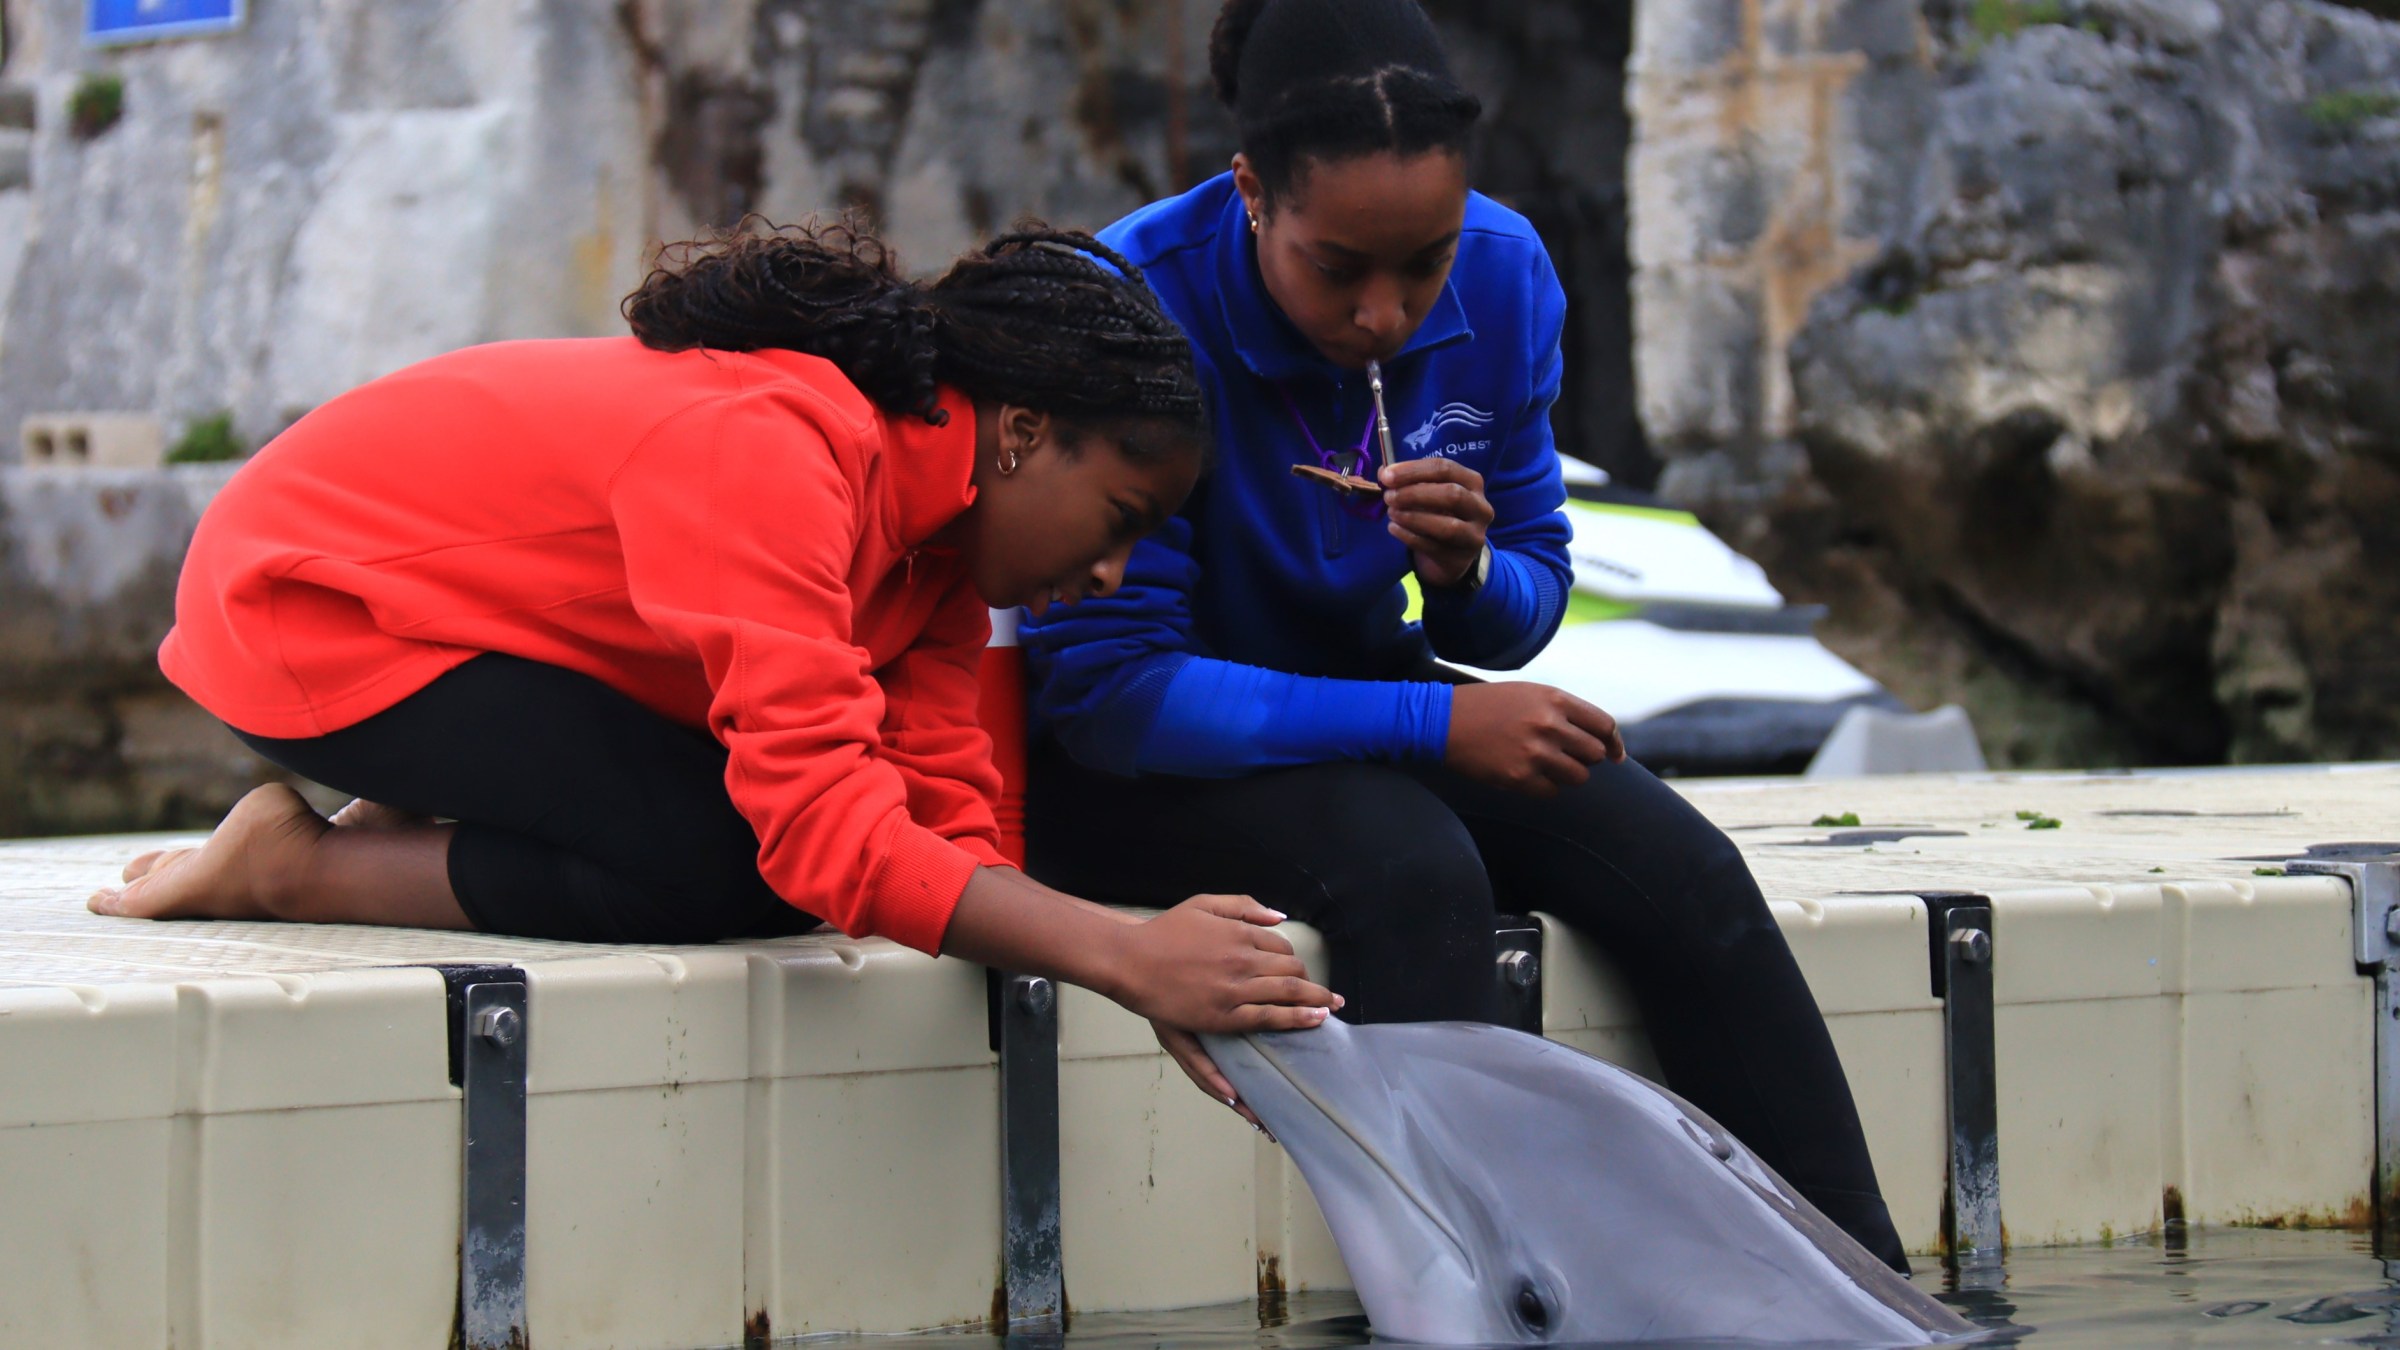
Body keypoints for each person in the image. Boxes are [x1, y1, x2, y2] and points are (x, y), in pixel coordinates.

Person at [1018, 0, 1911, 1269]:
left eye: (1421, 262)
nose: (1384, 312)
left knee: (1684, 868)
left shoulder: (1502, 273)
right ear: (1252, 192)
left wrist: (1467, 570)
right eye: (1339, 267)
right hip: (1140, 751)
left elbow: (1525, 607)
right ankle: (1474, 1295)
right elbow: (1113, 691)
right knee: (1415, 870)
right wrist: (1436, 722)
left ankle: (1855, 1278)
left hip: (1353, 701)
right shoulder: (1135, 302)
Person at [88, 222, 1341, 1044]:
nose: (1115, 570)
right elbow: (823, 839)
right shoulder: (780, 449)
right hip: (311, 612)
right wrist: (1123, 949)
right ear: (1017, 432)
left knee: (755, 850)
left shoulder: (936, 558)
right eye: (1120, 518)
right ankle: (290, 866)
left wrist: (1130, 983)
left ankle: (411, 834)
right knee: (727, 862)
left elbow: (940, 804)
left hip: (489, 635)